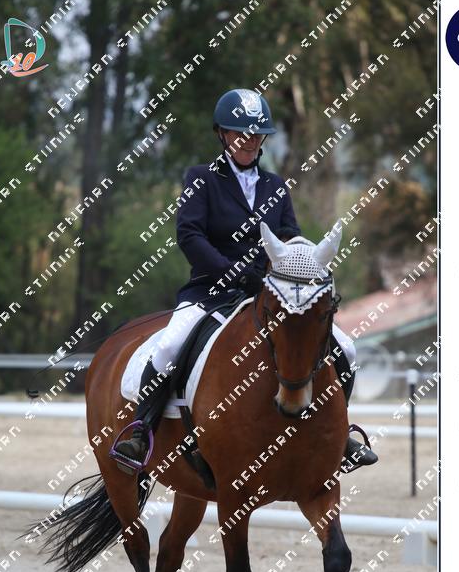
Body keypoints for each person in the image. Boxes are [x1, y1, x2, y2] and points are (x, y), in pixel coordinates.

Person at [113, 88, 377, 472]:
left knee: (346, 349)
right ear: (222, 134)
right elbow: (190, 236)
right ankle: (141, 433)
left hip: (269, 293)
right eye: (241, 133)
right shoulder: (202, 178)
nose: (250, 141)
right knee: (169, 347)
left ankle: (340, 434)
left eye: (256, 134)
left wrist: (294, 268)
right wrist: (234, 272)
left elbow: (289, 237)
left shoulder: (275, 187)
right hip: (210, 292)